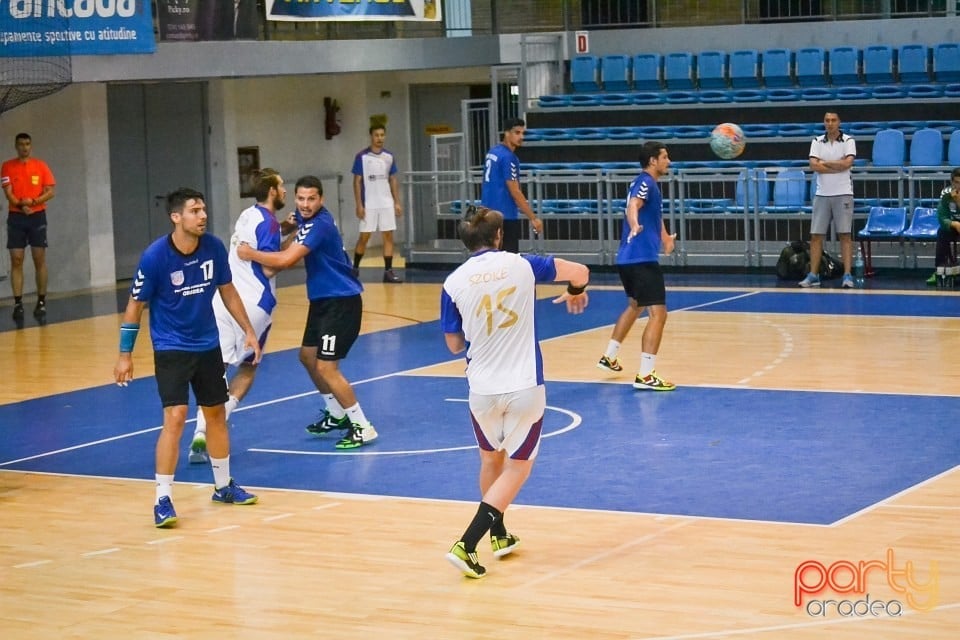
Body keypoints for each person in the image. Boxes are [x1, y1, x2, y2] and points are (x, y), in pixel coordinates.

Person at [440, 205, 589, 579]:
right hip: (523, 385)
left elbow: (453, 344)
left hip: (481, 389)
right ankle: (467, 543)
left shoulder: (453, 283)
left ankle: (499, 534)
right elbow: (580, 272)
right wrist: (575, 291)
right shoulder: (523, 265)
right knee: (518, 467)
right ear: (499, 237)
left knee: (491, 461)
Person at [113, 187, 261, 528]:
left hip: (208, 345)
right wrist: (125, 355)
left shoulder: (212, 247)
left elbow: (227, 290)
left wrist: (247, 330)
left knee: (216, 415)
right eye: (195, 211)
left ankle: (223, 486)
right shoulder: (154, 258)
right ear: (176, 217)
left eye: (204, 209)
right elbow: (135, 306)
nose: (203, 216)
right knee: (176, 417)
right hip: (171, 347)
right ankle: (162, 499)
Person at [238, 175, 378, 449]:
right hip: (322, 301)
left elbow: (286, 259)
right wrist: (286, 226)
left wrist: (249, 253)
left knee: (326, 367)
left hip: (341, 302)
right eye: (300, 198)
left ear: (321, 199)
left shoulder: (320, 225)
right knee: (307, 356)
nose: (305, 204)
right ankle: (336, 413)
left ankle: (362, 425)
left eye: (311, 198)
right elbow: (279, 245)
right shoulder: (305, 221)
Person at [188, 169, 292, 463]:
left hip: (224, 299)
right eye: (281, 186)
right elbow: (271, 266)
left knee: (214, 368)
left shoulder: (247, 215)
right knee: (248, 368)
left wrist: (287, 228)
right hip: (254, 303)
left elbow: (259, 242)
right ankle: (217, 421)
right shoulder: (270, 224)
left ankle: (198, 431)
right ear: (272, 191)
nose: (284, 191)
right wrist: (292, 252)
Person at [596, 141, 677, 392]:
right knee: (658, 314)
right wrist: (633, 224)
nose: (668, 161)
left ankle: (610, 356)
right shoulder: (645, 182)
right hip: (641, 259)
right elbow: (634, 206)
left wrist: (665, 239)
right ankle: (646, 374)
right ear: (653, 161)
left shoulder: (650, 185)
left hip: (628, 259)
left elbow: (653, 215)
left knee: (636, 305)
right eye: (664, 157)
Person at [2, 133, 56, 325]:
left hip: (37, 216)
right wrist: (20, 205)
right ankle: (18, 302)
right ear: (16, 146)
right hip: (16, 217)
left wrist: (33, 202)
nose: (24, 147)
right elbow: (8, 192)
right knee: (16, 259)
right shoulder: (7, 166)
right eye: (20, 144)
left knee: (39, 258)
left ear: (31, 146)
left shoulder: (40, 166)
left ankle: (41, 300)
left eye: (27, 144)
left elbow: (50, 191)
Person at [800, 111, 857, 289]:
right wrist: (836, 164)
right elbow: (813, 165)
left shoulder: (848, 140)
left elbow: (847, 164)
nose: (830, 123)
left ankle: (847, 275)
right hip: (822, 194)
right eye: (827, 120)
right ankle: (814, 275)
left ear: (839, 122)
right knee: (816, 236)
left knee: (845, 235)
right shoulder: (817, 141)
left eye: (833, 120)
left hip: (843, 193)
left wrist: (825, 163)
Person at [480, 117, 543, 253]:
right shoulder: (509, 158)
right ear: (506, 133)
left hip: (487, 215)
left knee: (491, 258)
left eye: (523, 133)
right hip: (505, 216)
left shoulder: (492, 152)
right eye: (517, 133)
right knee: (508, 260)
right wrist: (533, 218)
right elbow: (515, 191)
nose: (521, 137)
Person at [351, 124, 403, 283]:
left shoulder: (389, 157)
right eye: (376, 135)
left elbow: (393, 179)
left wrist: (396, 202)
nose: (380, 138)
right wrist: (359, 204)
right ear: (371, 136)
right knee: (364, 237)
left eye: (382, 135)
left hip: (386, 202)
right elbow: (357, 181)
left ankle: (388, 271)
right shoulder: (362, 156)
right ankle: (355, 269)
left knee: (388, 235)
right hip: (369, 203)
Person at [933, 168, 960, 287]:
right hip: (954, 225)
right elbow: (941, 216)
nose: (959, 186)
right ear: (952, 181)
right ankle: (939, 269)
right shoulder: (946, 193)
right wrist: (953, 224)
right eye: (957, 182)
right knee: (942, 233)